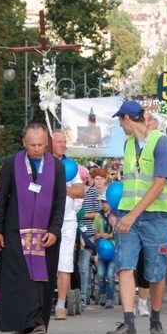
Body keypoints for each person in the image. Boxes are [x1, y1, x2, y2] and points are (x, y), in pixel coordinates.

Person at [105, 100, 167, 334]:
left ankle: (155, 319)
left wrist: (133, 214)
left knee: (156, 271)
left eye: (119, 120)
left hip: (156, 216)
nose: (119, 125)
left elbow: (159, 183)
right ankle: (128, 324)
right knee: (125, 265)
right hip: (128, 214)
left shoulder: (160, 141)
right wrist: (122, 213)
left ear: (125, 118)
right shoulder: (129, 144)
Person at [0, 123, 66, 334]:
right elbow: (1, 200)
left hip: (45, 235)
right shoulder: (10, 164)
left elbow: (60, 202)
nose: (36, 149)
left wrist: (55, 230)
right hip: (16, 231)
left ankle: (38, 322)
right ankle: (21, 322)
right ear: (24, 143)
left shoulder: (57, 167)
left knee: (41, 278)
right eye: (32, 144)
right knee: (20, 278)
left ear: (47, 143)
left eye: (41, 144)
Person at [50, 130, 85, 320]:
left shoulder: (70, 166)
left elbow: (79, 191)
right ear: (51, 142)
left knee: (65, 263)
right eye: (59, 141)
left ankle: (61, 306)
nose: (63, 144)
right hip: (45, 221)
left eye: (65, 141)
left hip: (67, 220)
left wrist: (62, 186)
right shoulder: (43, 163)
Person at [79, 168, 104, 310]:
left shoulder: (93, 193)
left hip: (88, 233)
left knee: (83, 265)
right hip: (73, 231)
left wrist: (81, 215)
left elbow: (98, 213)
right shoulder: (74, 191)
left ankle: (82, 296)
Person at [94, 192, 117, 309]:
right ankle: (103, 293)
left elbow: (117, 233)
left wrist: (108, 235)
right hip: (102, 250)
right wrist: (98, 235)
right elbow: (96, 232)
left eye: (106, 202)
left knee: (110, 275)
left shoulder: (115, 216)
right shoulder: (98, 216)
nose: (104, 205)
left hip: (113, 249)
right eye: (102, 202)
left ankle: (110, 297)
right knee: (100, 274)